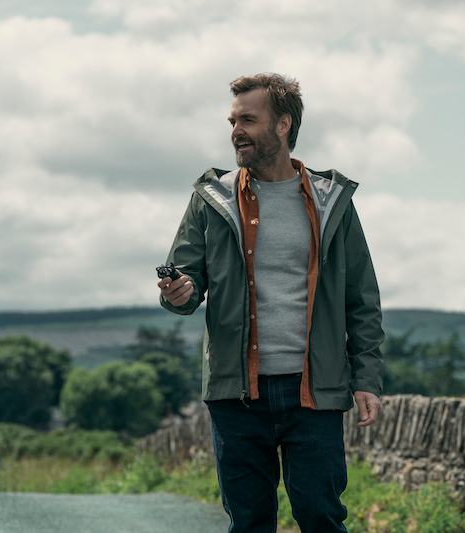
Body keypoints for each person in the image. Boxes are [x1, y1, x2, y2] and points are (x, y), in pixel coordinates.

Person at [157, 73, 385, 533]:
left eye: (247, 119)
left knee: (321, 517)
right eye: (232, 120)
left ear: (283, 124)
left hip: (314, 390)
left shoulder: (331, 200)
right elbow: (186, 283)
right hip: (237, 392)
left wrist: (367, 378)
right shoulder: (212, 197)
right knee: (249, 521)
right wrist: (180, 293)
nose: (235, 131)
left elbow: (362, 299)